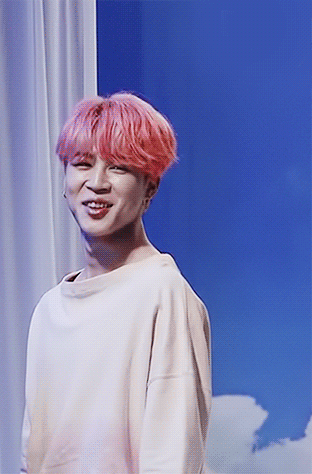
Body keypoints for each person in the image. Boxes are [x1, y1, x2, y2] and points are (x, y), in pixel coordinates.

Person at [21, 93, 211, 473]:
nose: (96, 183)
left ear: (150, 187)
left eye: (119, 167)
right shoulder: (50, 309)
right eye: (82, 164)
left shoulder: (164, 294)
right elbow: (35, 456)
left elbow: (172, 457)